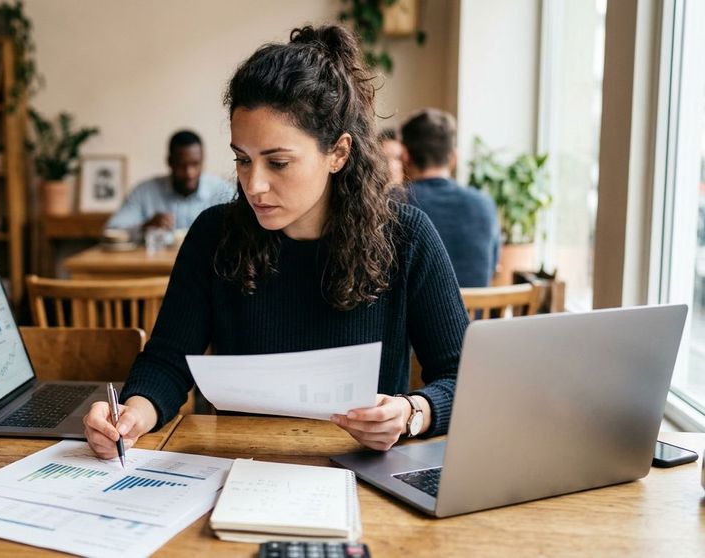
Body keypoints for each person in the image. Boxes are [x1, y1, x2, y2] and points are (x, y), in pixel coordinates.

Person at [83, 25, 468, 457]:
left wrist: (413, 412)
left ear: (338, 153)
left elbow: (463, 378)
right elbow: (167, 362)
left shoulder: (406, 236)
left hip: (363, 480)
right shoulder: (215, 235)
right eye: (242, 160)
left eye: (278, 162)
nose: (254, 185)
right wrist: (134, 414)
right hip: (236, 470)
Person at [401, 109, 501, 288]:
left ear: (405, 157)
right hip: (474, 316)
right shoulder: (485, 204)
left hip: (420, 316)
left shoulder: (395, 202)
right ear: (454, 158)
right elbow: (493, 269)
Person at [104, 130, 233, 234]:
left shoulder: (222, 191)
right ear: (170, 162)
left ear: (202, 161)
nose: (190, 173)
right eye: (182, 165)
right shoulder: (144, 192)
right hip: (157, 266)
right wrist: (145, 227)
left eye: (195, 164)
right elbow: (112, 230)